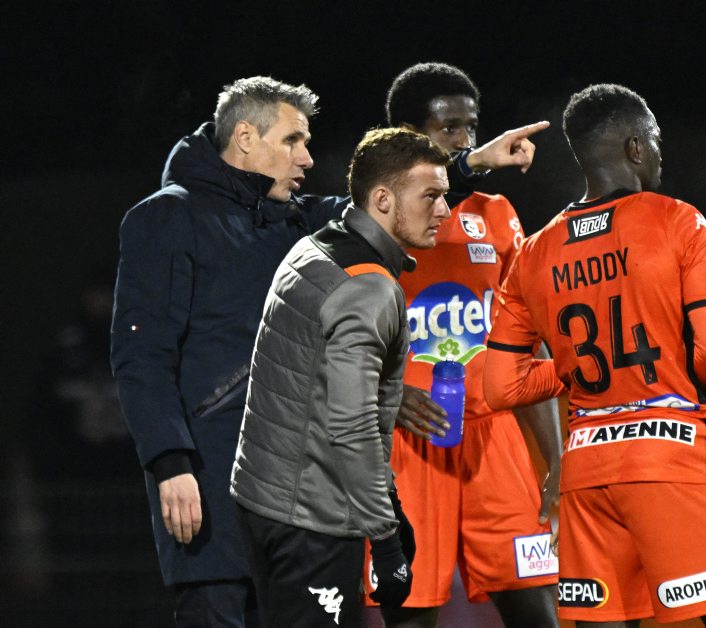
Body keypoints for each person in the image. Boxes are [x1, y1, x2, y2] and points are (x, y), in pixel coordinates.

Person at [111, 74, 552, 626]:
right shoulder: (167, 217)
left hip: (310, 486)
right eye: (292, 140)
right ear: (245, 137)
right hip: (211, 476)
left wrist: (473, 164)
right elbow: (142, 357)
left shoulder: (300, 219)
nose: (307, 157)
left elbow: (387, 209)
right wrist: (170, 464)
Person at [483, 84, 706, 627]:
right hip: (671, 453)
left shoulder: (533, 253)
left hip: (585, 473)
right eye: (655, 140)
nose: (661, 153)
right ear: (636, 148)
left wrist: (575, 368)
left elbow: (501, 387)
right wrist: (680, 388)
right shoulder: (678, 220)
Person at [362, 62, 562, 628]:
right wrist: (387, 396)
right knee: (411, 614)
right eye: (448, 127)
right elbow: (338, 338)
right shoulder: (376, 219)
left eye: (471, 127)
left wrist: (556, 457)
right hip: (409, 440)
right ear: (405, 135)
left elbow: (527, 344)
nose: (464, 140)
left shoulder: (495, 216)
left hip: (493, 438)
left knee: (535, 608)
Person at [231, 127, 452, 627]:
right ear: (383, 199)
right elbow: (352, 425)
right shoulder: (369, 289)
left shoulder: (313, 248)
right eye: (431, 196)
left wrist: (387, 502)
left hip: (262, 500)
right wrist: (387, 541)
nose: (444, 210)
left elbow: (313, 391)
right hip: (313, 522)